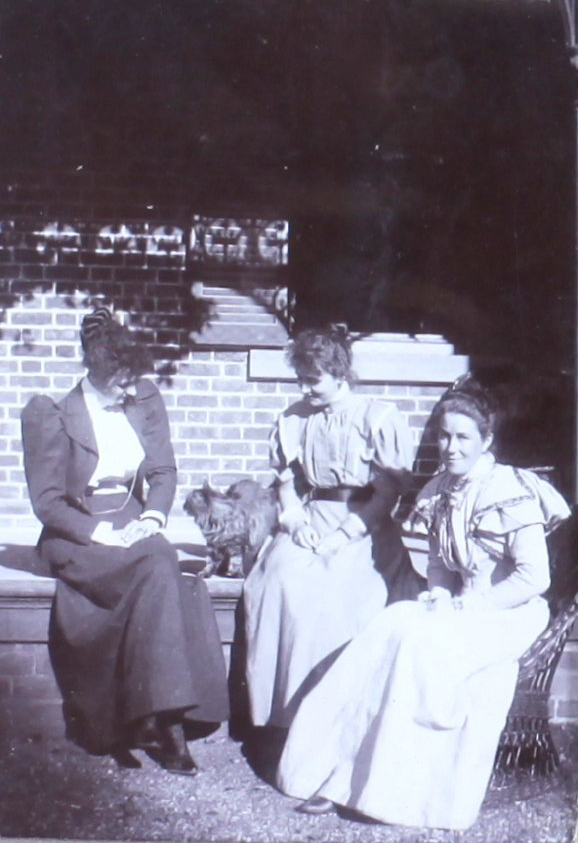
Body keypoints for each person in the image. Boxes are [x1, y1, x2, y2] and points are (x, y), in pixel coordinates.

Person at [276, 375, 571, 830]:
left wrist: (475, 605)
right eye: (444, 436)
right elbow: (438, 561)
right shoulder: (437, 490)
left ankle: (392, 789)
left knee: (417, 646)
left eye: (463, 438)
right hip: (458, 606)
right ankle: (339, 776)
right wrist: (437, 590)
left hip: (510, 614)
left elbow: (534, 577)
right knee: (388, 628)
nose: (451, 447)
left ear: (486, 439)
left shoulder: (509, 489)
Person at [21, 308, 229, 773]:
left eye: (134, 379)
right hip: (76, 528)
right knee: (156, 569)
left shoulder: (145, 398)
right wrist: (100, 532)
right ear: (94, 370)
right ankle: (164, 722)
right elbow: (48, 502)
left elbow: (162, 470)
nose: (131, 391)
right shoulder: (51, 414)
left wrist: (154, 516)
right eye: (121, 382)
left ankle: (161, 715)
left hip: (133, 519)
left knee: (160, 557)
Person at [243, 326, 420, 730]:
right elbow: (288, 485)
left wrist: (345, 535)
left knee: (335, 594)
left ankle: (329, 719)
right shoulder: (293, 419)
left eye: (314, 380)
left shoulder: (376, 417)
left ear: (340, 373)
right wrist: (295, 521)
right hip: (312, 519)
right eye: (300, 380)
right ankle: (282, 718)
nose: (305, 389)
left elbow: (387, 493)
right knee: (278, 580)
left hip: (363, 526)